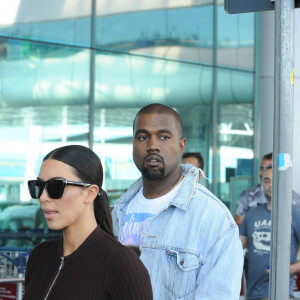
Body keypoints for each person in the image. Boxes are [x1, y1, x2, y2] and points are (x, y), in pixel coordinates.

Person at [112, 103, 244, 299]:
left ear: (182, 145)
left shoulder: (214, 220)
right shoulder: (115, 213)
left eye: (164, 137)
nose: (152, 145)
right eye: (142, 137)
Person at [23, 145, 153, 300]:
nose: (43, 197)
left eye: (56, 186)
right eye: (38, 186)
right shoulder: (39, 256)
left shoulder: (121, 264)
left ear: (90, 193)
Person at [239, 164, 300, 299]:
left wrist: (287, 270)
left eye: (275, 179)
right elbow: (236, 249)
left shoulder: (295, 213)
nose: (271, 185)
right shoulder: (252, 214)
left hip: (281, 294)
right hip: (253, 294)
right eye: (267, 180)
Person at [235, 152, 300, 226]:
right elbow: (239, 225)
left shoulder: (294, 199)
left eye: (269, 168)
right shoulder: (247, 196)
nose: (264, 173)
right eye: (262, 168)